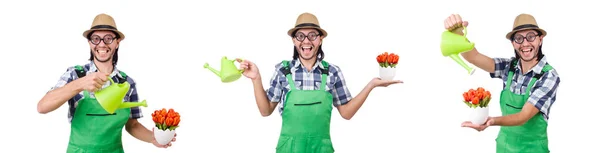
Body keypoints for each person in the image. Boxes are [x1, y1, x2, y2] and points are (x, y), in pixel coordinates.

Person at [237, 12, 403, 153]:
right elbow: (266, 111)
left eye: (312, 36)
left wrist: (371, 85)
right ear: (294, 40)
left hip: (321, 148)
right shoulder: (283, 70)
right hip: (289, 149)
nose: (306, 41)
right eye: (300, 36)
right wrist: (256, 79)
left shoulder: (332, 72)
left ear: (320, 39)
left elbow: (346, 113)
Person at [37, 13, 176, 153]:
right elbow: (42, 107)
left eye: (108, 39)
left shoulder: (127, 83)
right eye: (96, 39)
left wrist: (153, 138)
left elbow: (132, 125)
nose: (102, 44)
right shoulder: (75, 74)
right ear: (89, 42)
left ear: (117, 42)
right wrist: (80, 84)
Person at [444, 14, 561, 152]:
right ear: (513, 43)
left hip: (532, 149)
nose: (525, 43)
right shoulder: (508, 67)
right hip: (504, 147)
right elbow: (474, 57)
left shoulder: (548, 76)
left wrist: (491, 121)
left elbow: (523, 116)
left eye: (531, 36)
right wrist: (458, 35)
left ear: (540, 39)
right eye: (518, 38)